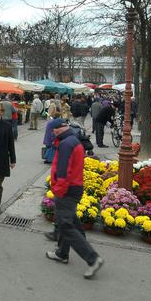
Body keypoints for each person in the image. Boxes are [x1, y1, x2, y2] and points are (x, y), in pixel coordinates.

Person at [45, 118, 104, 279]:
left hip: (67, 190)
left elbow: (63, 171)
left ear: (58, 129)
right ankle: (62, 253)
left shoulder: (65, 144)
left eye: (53, 130)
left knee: (66, 225)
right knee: (70, 223)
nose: (52, 133)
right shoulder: (73, 140)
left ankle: (92, 258)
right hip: (75, 187)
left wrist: (58, 190)